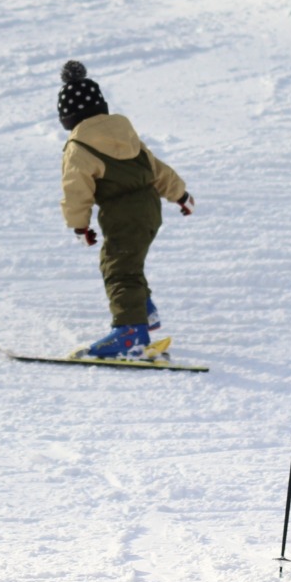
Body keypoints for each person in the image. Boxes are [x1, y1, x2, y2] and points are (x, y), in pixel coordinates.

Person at [56, 60, 194, 358]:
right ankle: (145, 311)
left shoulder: (78, 146)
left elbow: (75, 190)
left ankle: (131, 331)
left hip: (122, 213)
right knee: (127, 261)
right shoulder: (125, 133)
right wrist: (179, 193)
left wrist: (79, 225)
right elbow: (154, 167)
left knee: (119, 269)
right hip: (149, 207)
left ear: (67, 118)